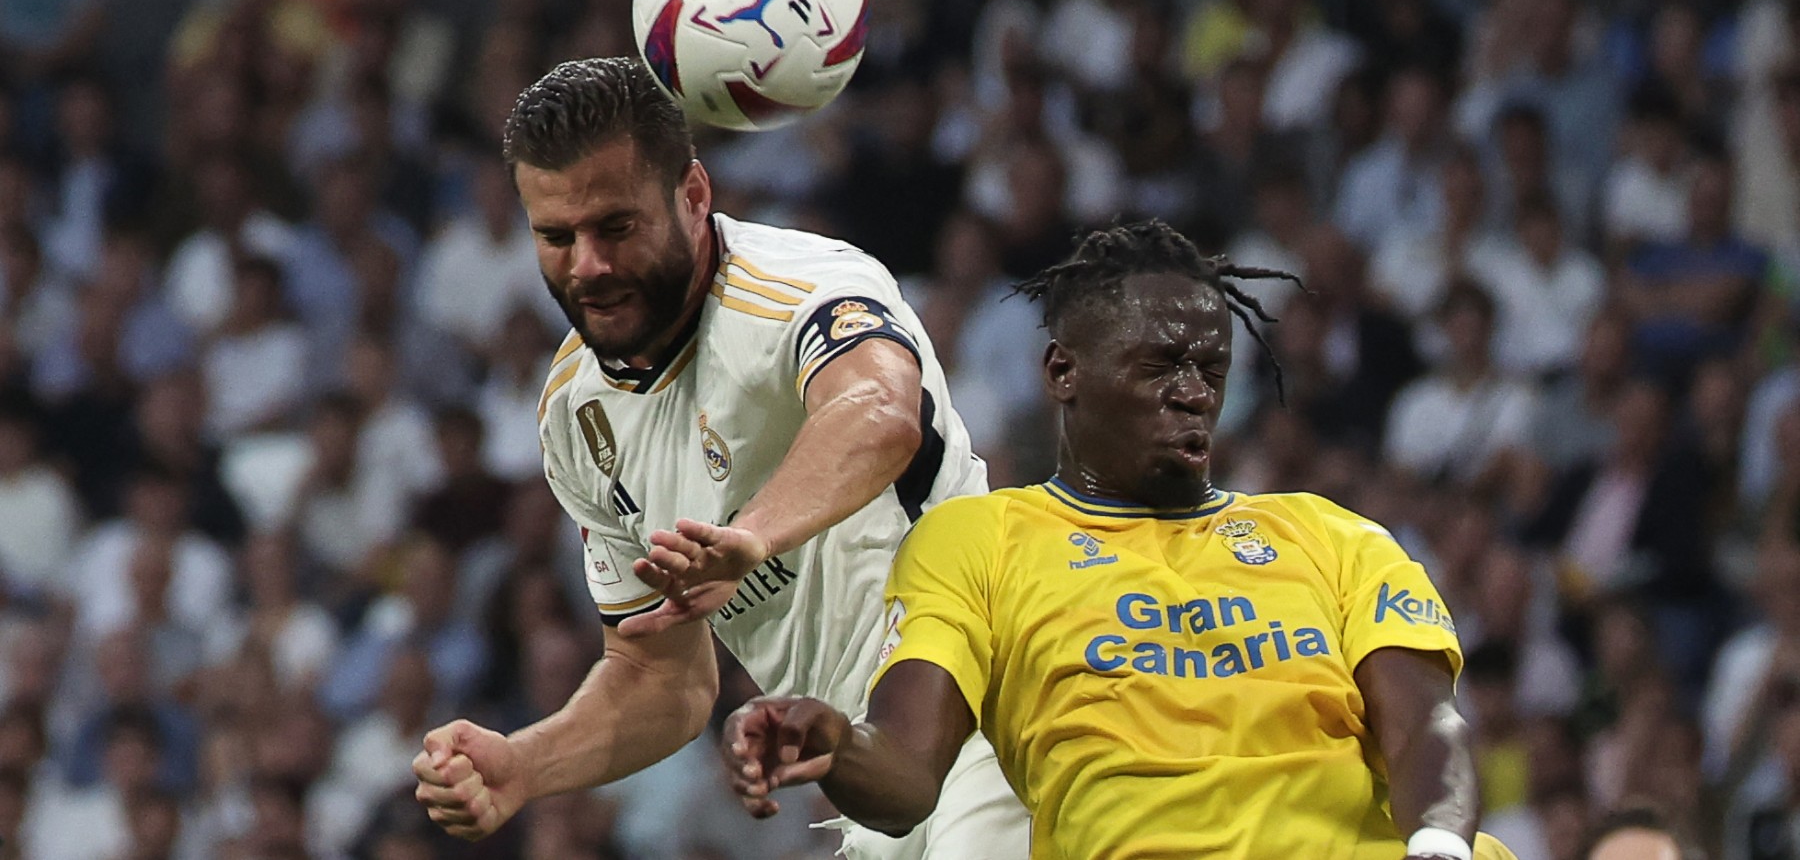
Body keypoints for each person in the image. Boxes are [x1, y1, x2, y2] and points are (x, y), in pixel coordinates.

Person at [716, 221, 1516, 860]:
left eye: (1211, 367)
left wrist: (1438, 845)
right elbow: (907, 773)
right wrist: (833, 741)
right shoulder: (981, 539)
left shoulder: (1331, 534)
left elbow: (1426, 724)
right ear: (1064, 372)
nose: (1194, 393)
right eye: (1161, 365)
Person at [411, 57, 1029, 859]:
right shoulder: (573, 413)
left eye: (615, 227)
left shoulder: (803, 285)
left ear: (694, 195)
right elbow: (661, 677)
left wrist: (753, 534)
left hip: (988, 711)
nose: (587, 266)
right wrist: (526, 764)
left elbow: (879, 413)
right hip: (871, 781)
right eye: (556, 237)